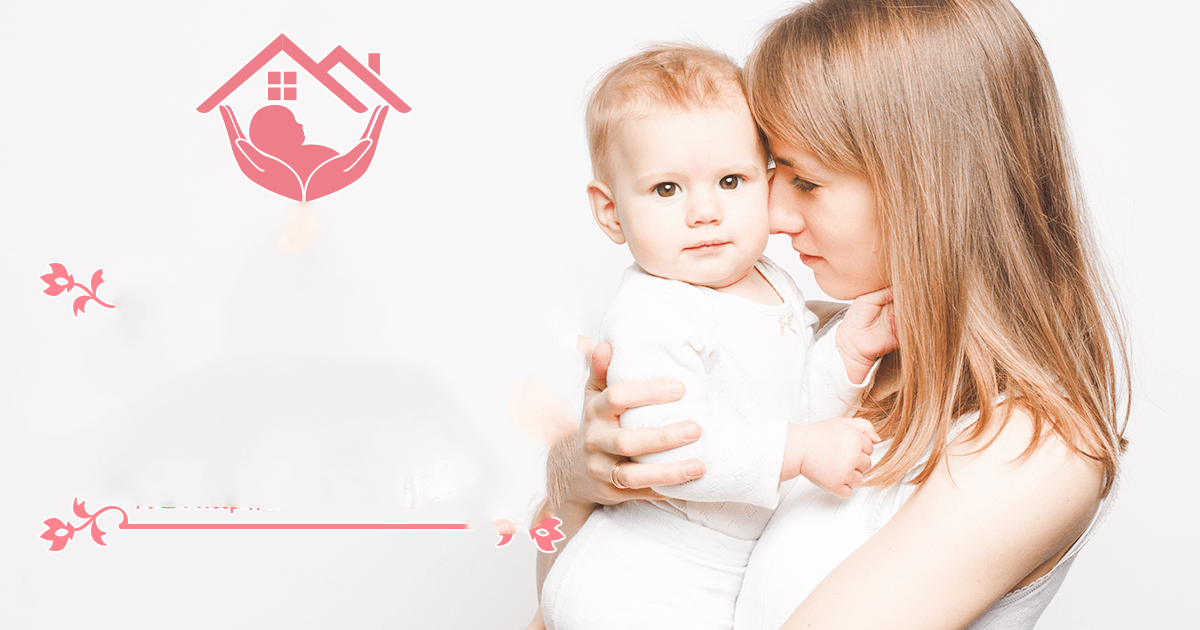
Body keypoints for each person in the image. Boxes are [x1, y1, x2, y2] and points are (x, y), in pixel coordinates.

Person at [531, 1, 1129, 628]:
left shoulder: (1035, 451)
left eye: (806, 182)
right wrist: (574, 480)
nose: (774, 217)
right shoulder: (799, 336)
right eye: (773, 174)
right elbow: (549, 612)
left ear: (924, 188)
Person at [537, 44, 897, 630]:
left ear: (768, 182)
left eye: (731, 180)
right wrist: (800, 452)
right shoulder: (655, 309)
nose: (704, 211)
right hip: (639, 583)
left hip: (718, 574)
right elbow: (664, 450)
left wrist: (845, 355)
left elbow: (792, 407)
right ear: (611, 212)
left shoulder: (773, 283)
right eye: (667, 189)